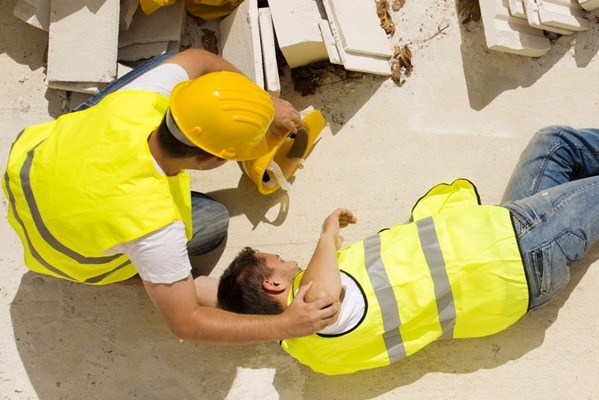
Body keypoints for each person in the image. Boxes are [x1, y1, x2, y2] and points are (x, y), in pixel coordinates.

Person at [2, 48, 338, 344]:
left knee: (169, 63)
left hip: (31, 173)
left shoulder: (142, 101)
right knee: (213, 220)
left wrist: (263, 105)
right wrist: (286, 325)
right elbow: (186, 324)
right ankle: (141, 277)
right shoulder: (154, 223)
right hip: (61, 253)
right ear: (208, 159)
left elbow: (201, 59)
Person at [217, 125, 599, 374]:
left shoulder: (315, 356)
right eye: (275, 261)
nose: (284, 258)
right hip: (518, 250)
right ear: (273, 286)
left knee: (554, 145)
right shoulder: (314, 314)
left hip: (508, 254)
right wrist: (326, 234)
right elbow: (323, 300)